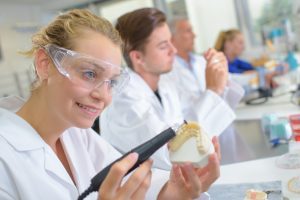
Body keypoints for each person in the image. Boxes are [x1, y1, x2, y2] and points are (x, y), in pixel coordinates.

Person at [0, 9, 220, 200]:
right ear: (45, 64)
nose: (103, 96)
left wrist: (173, 192)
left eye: (112, 82)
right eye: (89, 73)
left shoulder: (77, 134)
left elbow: (127, 180)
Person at [100, 7, 232, 171]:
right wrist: (213, 91)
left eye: (171, 41)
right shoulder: (124, 102)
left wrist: (218, 76)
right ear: (138, 57)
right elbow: (176, 154)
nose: (174, 50)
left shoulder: (165, 83)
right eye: (163, 46)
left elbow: (186, 124)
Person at [165, 18, 246, 164]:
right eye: (188, 31)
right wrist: (213, 90)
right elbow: (181, 118)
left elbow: (226, 94)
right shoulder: (167, 72)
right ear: (172, 37)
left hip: (223, 131)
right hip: (196, 142)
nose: (194, 35)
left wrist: (222, 73)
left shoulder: (201, 61)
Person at [214, 29, 287, 88]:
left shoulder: (235, 60)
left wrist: (271, 70)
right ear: (228, 44)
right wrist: (267, 73)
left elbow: (252, 68)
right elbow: (240, 75)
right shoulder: (219, 63)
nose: (243, 47)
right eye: (240, 43)